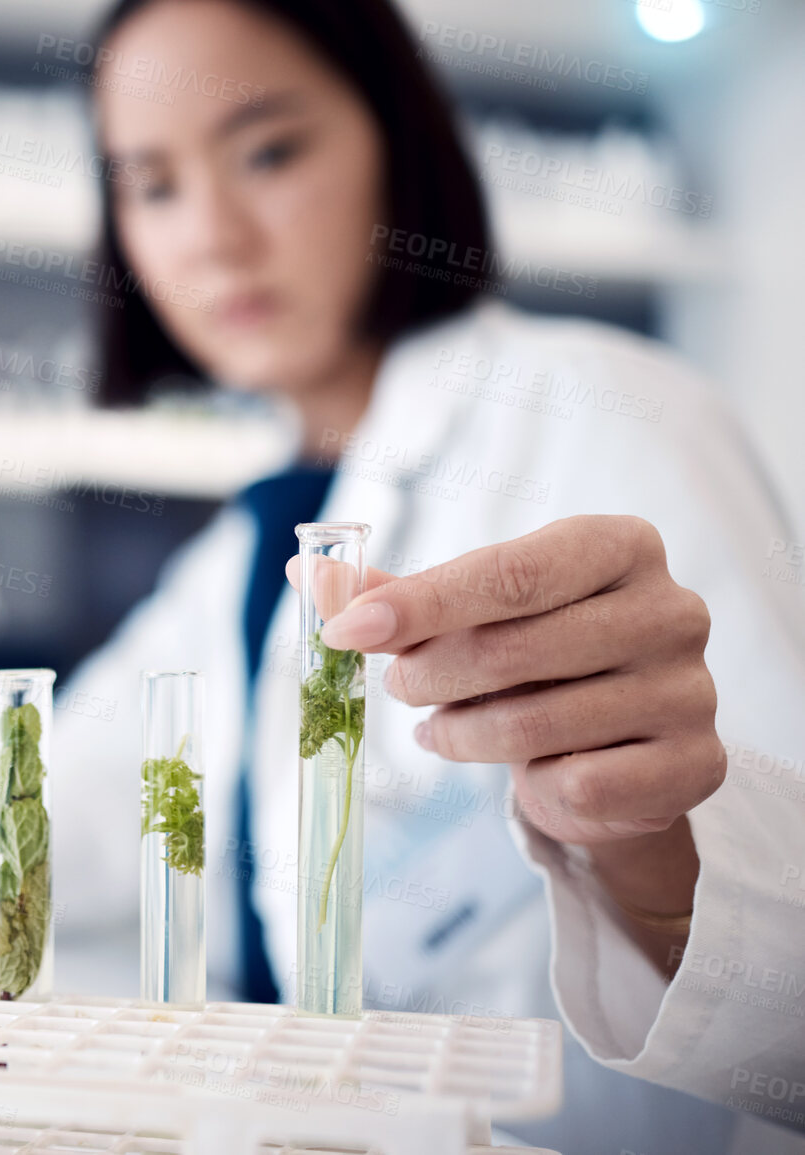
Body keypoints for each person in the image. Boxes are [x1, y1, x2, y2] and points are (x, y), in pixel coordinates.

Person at [49, 0, 805, 1151]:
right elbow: (39, 828)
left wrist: (659, 866)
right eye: (151, 183)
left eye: (268, 150)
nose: (209, 236)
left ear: (399, 146)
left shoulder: (610, 411)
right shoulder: (238, 554)